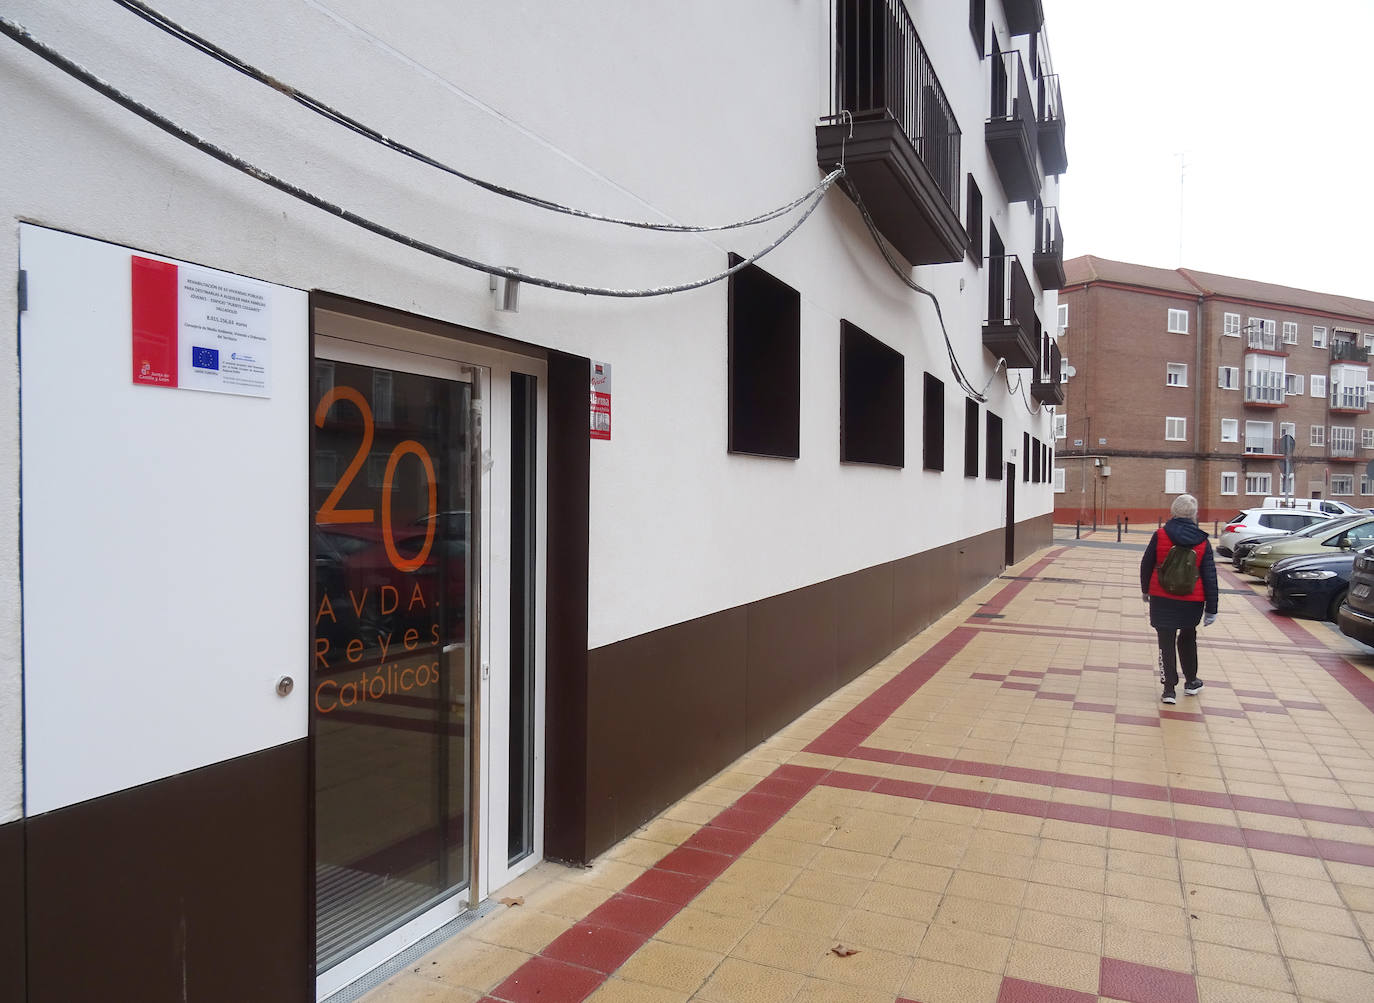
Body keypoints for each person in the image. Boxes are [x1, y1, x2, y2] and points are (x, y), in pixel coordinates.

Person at [1140, 494, 1219, 704]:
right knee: (1188, 636)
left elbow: (1146, 563)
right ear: (1194, 514)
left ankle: (1168, 690)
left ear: (1173, 511)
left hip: (1162, 596)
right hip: (1192, 599)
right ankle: (1191, 681)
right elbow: (1209, 575)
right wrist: (1212, 608)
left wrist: (1145, 590)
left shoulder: (1160, 535)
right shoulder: (1202, 540)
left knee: (1165, 640)